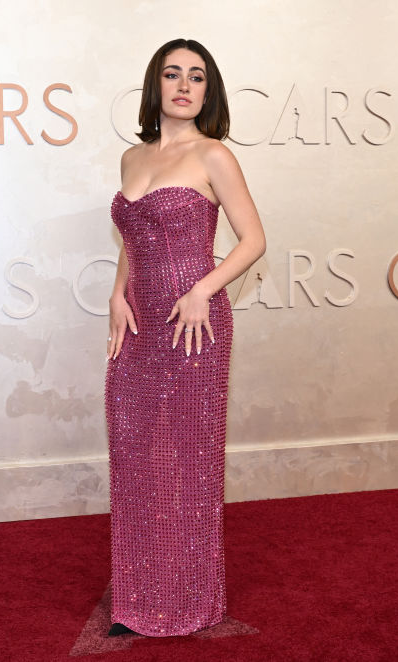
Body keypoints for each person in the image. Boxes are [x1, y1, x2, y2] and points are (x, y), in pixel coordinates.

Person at [104, 38, 266, 638]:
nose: (183, 85)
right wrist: (118, 294)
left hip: (193, 325)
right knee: (136, 454)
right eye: (172, 74)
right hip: (142, 320)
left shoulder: (214, 155)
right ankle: (138, 595)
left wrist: (203, 289)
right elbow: (132, 236)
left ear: (208, 91)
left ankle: (187, 598)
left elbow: (254, 240)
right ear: (156, 85)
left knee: (186, 461)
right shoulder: (131, 158)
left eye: (196, 77)